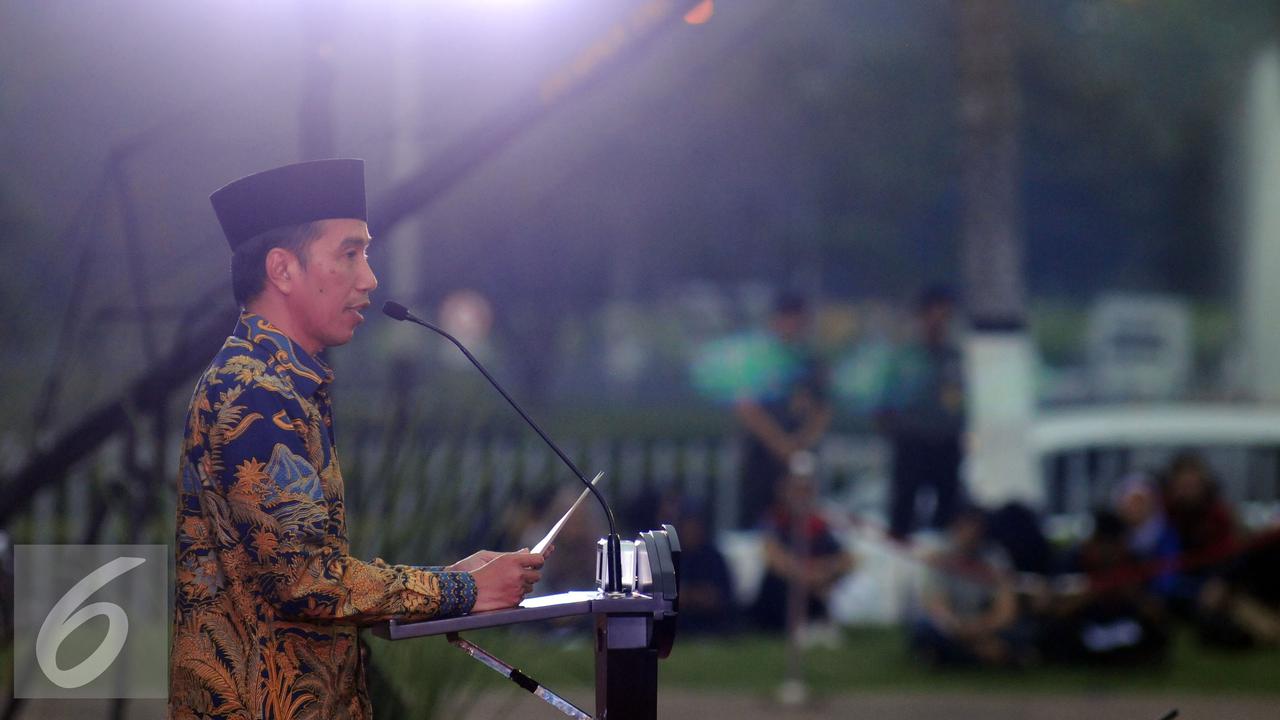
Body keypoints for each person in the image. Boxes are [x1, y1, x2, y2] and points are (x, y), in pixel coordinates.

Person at [170, 159, 544, 719]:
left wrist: (450, 581)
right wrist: (462, 593)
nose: (368, 278)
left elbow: (307, 574)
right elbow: (304, 580)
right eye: (349, 253)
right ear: (282, 269)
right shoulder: (255, 392)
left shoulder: (278, 381)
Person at [734, 292, 832, 528]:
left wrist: (801, 443)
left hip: (801, 460)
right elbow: (747, 407)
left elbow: (823, 409)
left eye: (796, 319)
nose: (791, 325)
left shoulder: (812, 363)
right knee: (756, 522)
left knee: (798, 524)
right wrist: (780, 444)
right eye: (786, 318)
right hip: (762, 457)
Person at [878, 286, 965, 539]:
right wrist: (897, 434)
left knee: (948, 511)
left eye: (945, 314)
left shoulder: (953, 358)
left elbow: (960, 403)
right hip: (911, 443)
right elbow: (885, 406)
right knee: (903, 510)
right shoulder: (904, 358)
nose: (939, 321)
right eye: (934, 313)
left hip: (946, 445)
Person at [910, 507, 1029, 667]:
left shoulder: (995, 557)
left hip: (986, 622)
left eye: (975, 527)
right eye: (965, 527)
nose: (970, 533)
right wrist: (958, 627)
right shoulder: (941, 557)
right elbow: (937, 606)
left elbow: (1006, 607)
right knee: (924, 628)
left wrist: (981, 627)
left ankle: (957, 656)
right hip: (954, 625)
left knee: (1023, 631)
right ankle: (983, 654)